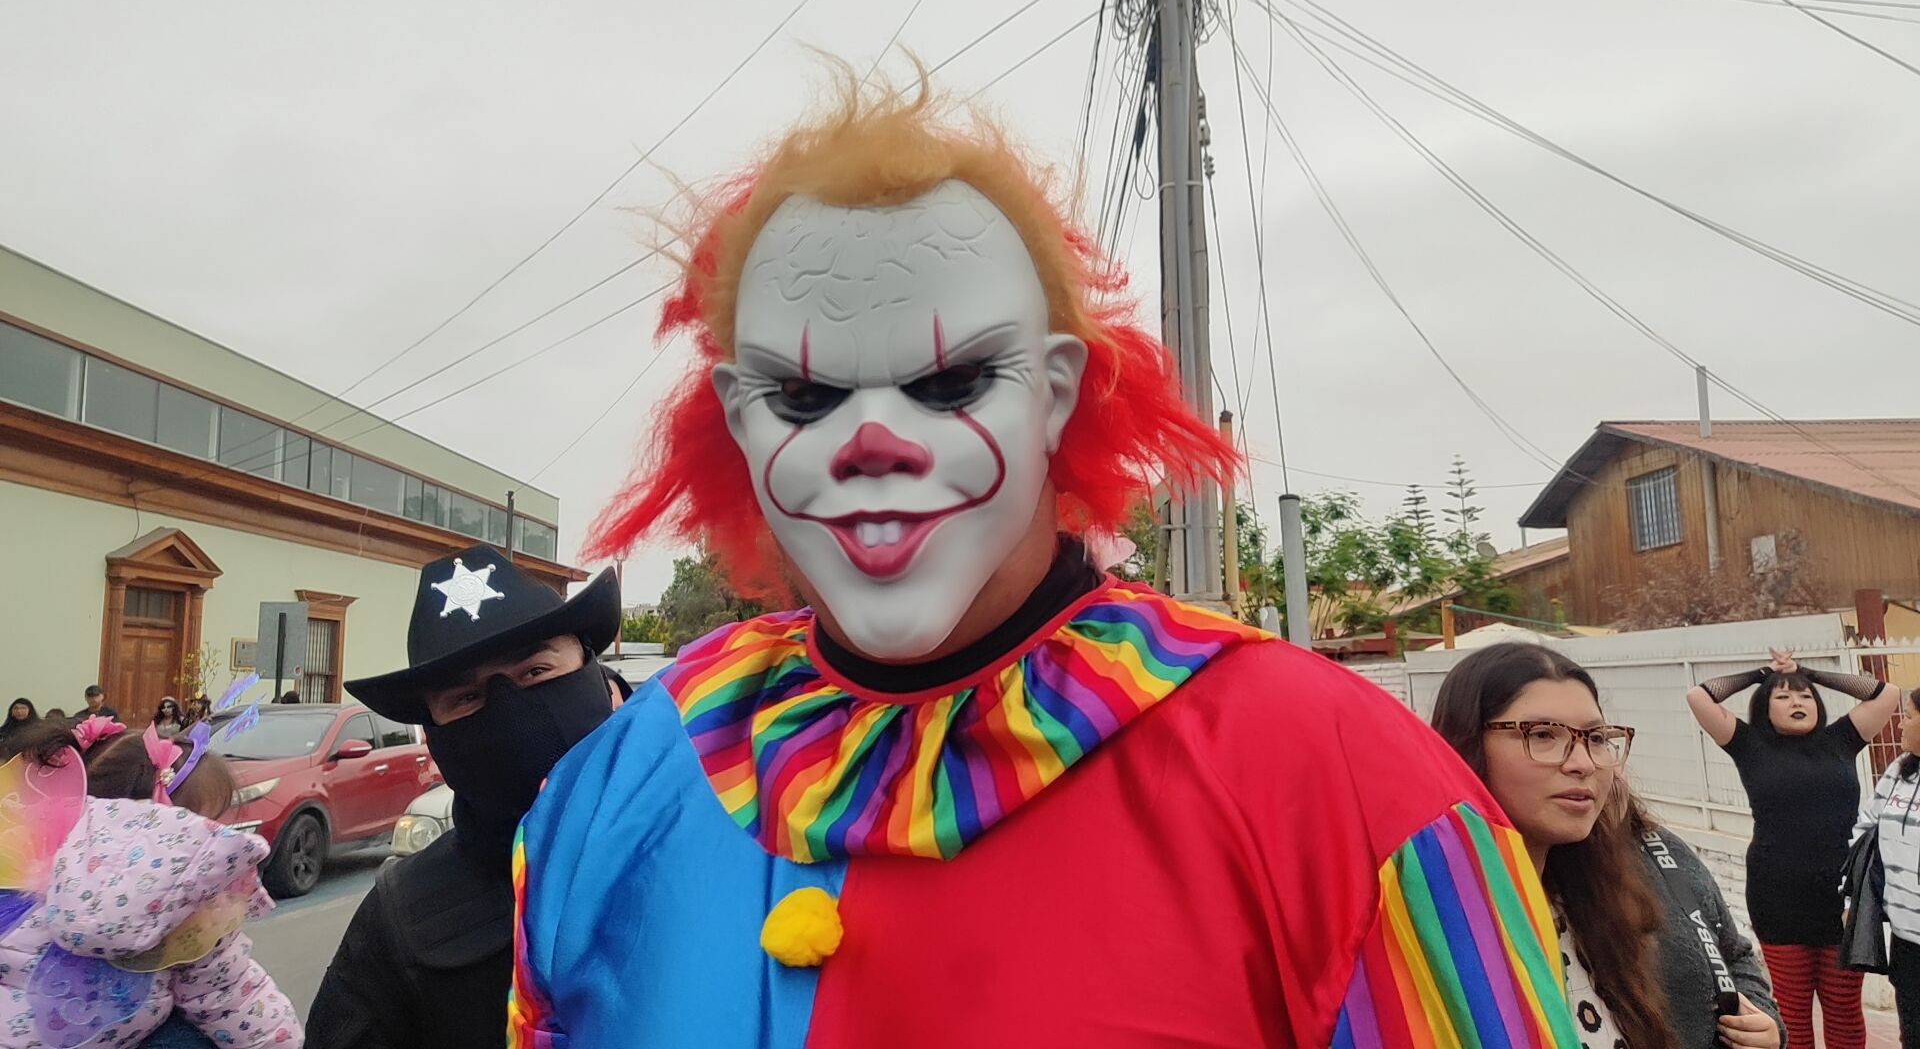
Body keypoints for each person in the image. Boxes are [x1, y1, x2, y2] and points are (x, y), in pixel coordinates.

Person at [508, 68, 1581, 1049]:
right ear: (738, 416)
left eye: (950, 383)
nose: (872, 444)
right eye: (800, 395)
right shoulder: (620, 784)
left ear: (1058, 392)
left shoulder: (1338, 783)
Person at [305, 544, 626, 1049]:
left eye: (536, 672)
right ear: (434, 736)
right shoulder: (403, 919)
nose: (511, 715)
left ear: (595, 674)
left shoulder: (716, 836)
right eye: (467, 698)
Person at [1431, 643, 1781, 1049]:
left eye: (1596, 738)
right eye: (1542, 735)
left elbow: (1731, 953)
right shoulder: (1434, 919)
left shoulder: (1629, 871)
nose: (1583, 763)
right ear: (1466, 745)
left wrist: (1764, 1020)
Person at [0, 715, 301, 1047]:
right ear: (169, 828)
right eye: (207, 824)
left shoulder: (22, 862)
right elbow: (230, 996)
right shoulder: (187, 900)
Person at [1686, 648, 1897, 1049]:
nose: (1797, 701)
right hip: (1777, 897)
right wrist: (1765, 673)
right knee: (1793, 1012)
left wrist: (1809, 673)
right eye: (1782, 696)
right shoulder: (1748, 744)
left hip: (1842, 899)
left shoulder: (1841, 739)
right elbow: (1699, 696)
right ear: (1765, 708)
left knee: (1844, 1008)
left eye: (1804, 695)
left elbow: (1886, 694)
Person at [1855, 688, 1920, 1046]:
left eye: (1907, 716)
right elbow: (1866, 828)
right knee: (1913, 1031)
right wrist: (1851, 898)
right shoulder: (1899, 771)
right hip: (1906, 937)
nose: (1900, 725)